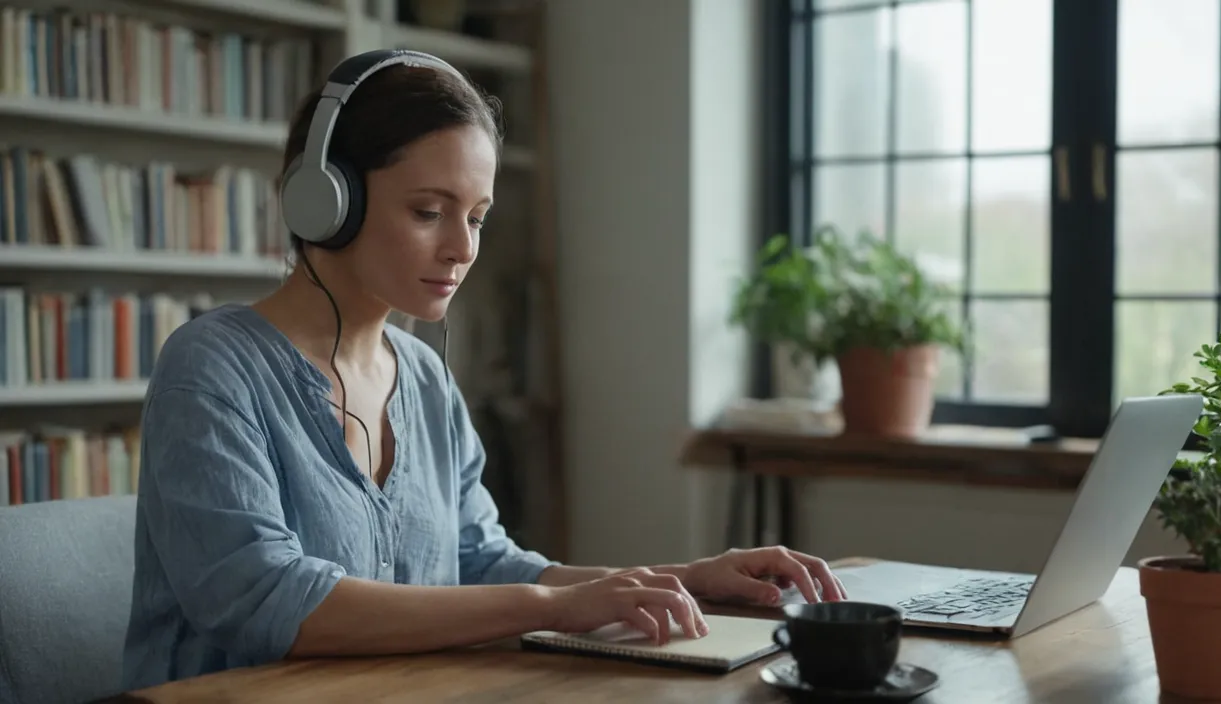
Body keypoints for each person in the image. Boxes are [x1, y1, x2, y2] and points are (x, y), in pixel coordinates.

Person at [120, 50, 847, 691]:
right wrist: (553, 608)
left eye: (476, 216)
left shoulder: (426, 380)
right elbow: (264, 601)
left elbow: (482, 564)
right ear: (327, 200)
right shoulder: (211, 368)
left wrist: (682, 578)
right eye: (429, 211)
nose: (462, 248)